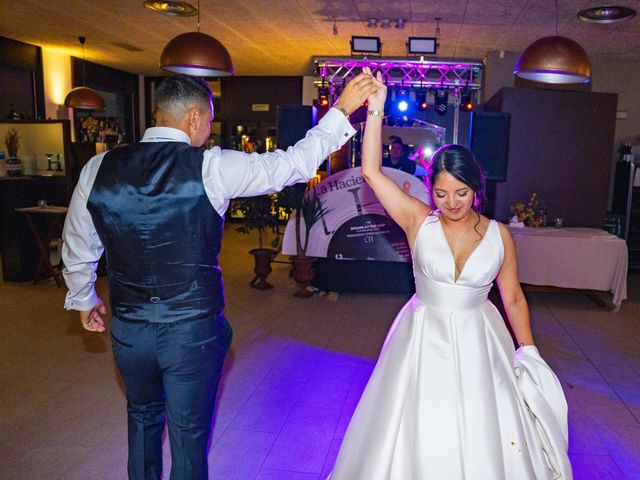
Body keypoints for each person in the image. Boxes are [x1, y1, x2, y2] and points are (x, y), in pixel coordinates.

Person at [61, 73, 378, 480]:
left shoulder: (98, 167)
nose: (208, 129)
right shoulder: (212, 166)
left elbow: (77, 241)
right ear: (194, 118)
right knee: (189, 435)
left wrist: (84, 297)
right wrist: (342, 110)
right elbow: (294, 165)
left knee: (141, 418)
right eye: (209, 121)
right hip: (192, 330)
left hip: (130, 327)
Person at [329, 67, 572, 479]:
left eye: (461, 193)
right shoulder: (418, 220)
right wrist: (376, 112)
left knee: (483, 430)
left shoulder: (499, 236)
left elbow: (511, 296)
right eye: (441, 193)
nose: (452, 202)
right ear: (430, 189)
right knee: (419, 429)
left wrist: (529, 352)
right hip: (423, 338)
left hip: (481, 341)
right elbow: (371, 172)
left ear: (477, 189)